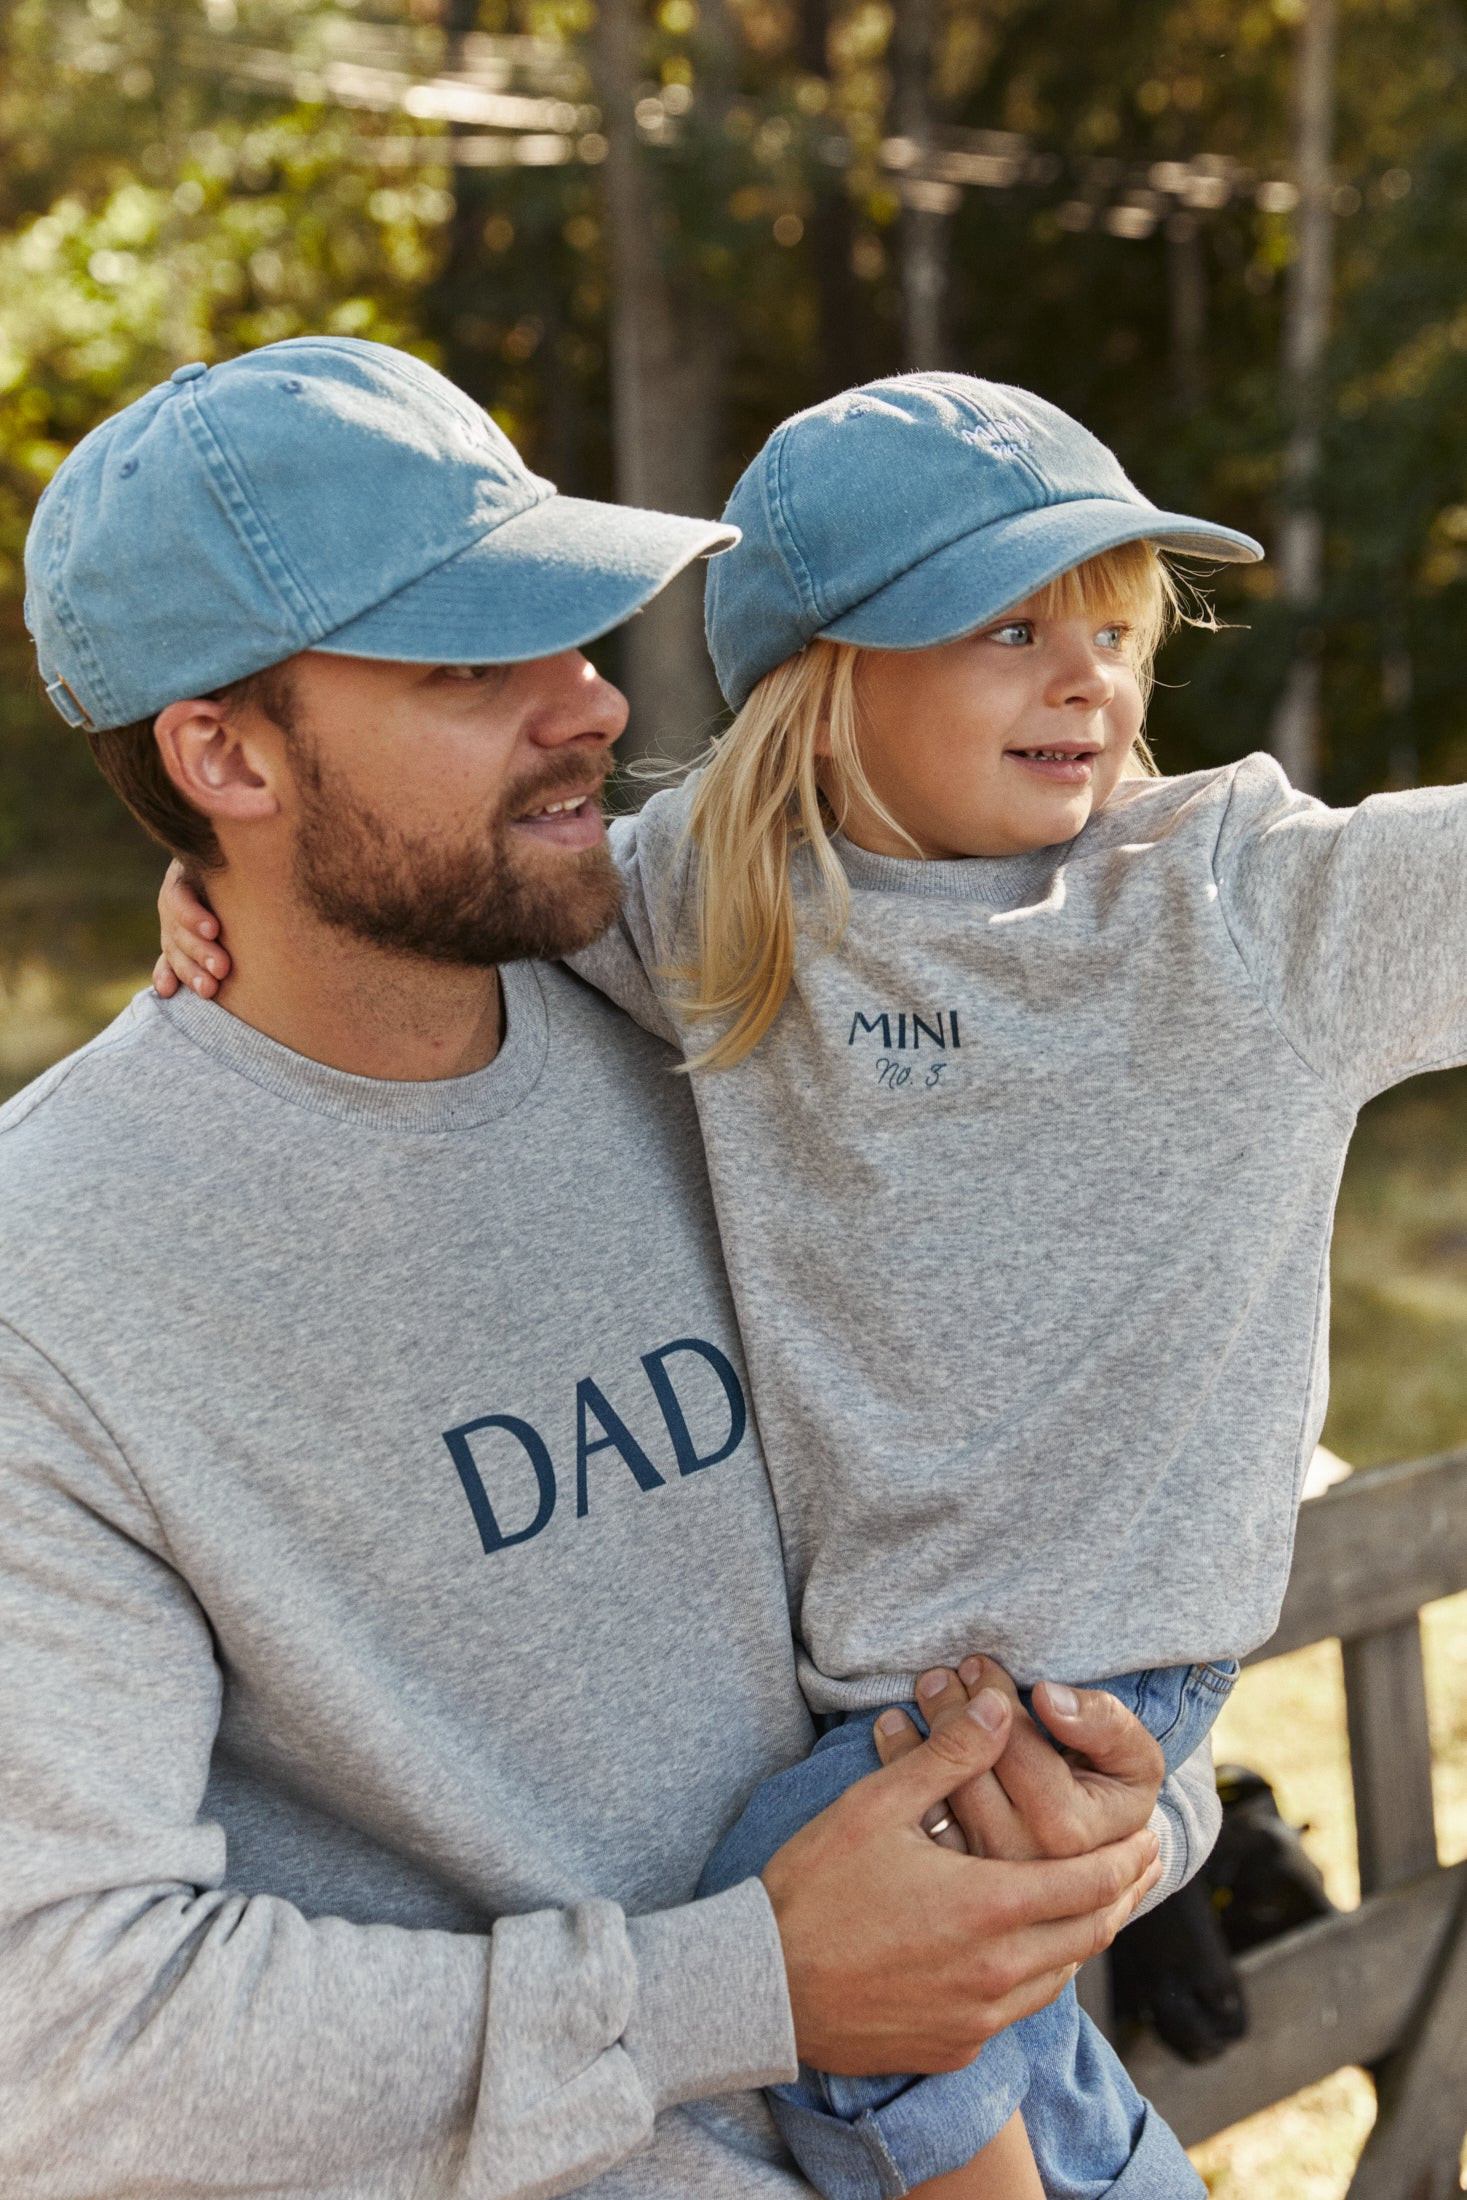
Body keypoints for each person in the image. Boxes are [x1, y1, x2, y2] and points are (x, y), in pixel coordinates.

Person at [163, 369, 1467, 2195]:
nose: (1086, 678)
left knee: (824, 1976)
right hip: (866, 1668)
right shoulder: (715, 900)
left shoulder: (1235, 907)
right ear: (825, 678)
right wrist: (212, 891)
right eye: (1010, 628)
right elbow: (426, 894)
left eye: (1111, 628)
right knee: (938, 2018)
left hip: (1087, 1668)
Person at [3, 338, 1182, 2200]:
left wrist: (1118, 1824)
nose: (590, 703)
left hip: (1052, 2131)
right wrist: (745, 1987)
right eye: (472, 665)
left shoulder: (738, 999)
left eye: (567, 627)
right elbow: (60, 2043)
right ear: (222, 755)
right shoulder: (54, 1286)